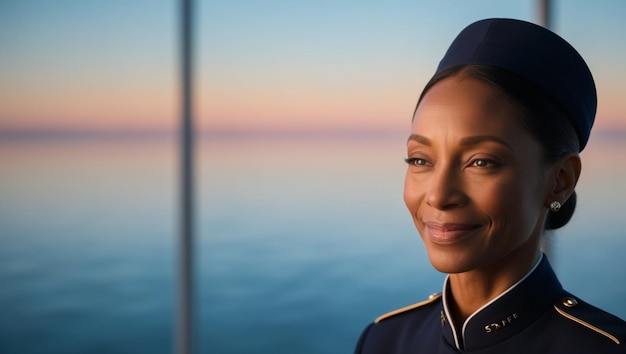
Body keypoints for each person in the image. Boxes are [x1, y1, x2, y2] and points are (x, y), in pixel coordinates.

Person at [354, 18, 626, 353]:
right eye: (420, 159)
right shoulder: (383, 341)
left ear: (560, 181)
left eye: (481, 162)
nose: (439, 196)